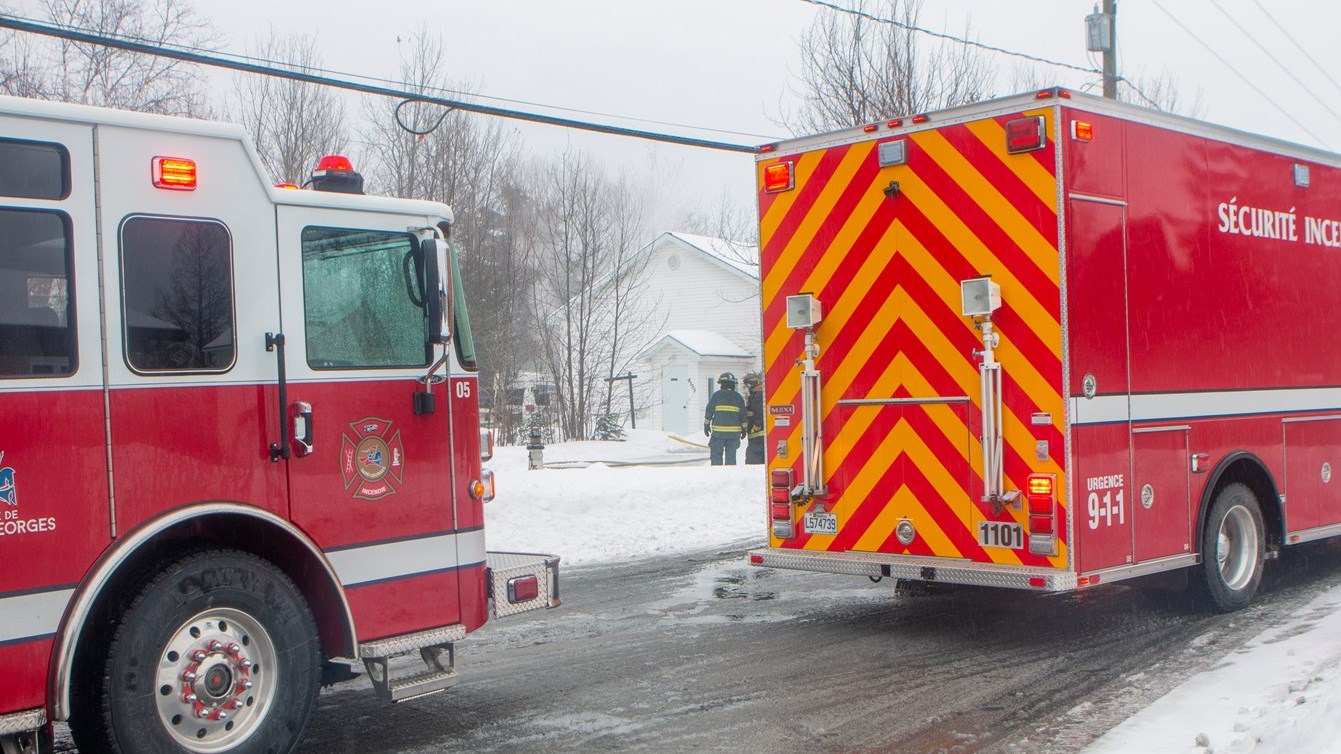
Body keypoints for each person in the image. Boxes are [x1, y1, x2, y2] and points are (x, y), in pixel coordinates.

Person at [704, 372, 746, 466]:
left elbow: (709, 411)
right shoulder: (738, 397)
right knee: (731, 459)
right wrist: (744, 429)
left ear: (722, 384)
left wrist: (706, 425)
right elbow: (743, 415)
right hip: (734, 435)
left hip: (718, 434)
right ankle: (729, 478)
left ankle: (717, 477)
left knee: (716, 458)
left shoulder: (716, 396)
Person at [742, 372, 765, 465]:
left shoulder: (757, 397)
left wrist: (755, 427)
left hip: (758, 436)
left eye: (745, 387)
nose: (744, 390)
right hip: (758, 436)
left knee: (753, 461)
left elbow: (759, 413)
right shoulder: (758, 395)